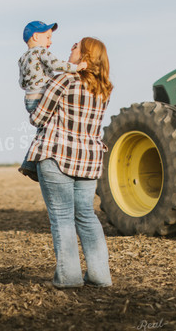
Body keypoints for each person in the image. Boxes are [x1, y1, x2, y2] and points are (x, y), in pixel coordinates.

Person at [24, 37, 113, 288]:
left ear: (85, 55)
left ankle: (69, 278)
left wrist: (31, 101)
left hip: (57, 155)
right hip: (88, 159)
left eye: (75, 46)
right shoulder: (104, 88)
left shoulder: (63, 79)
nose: (70, 49)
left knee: (62, 217)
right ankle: (100, 275)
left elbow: (38, 117)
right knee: (86, 215)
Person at [18, 21, 86, 181]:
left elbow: (21, 83)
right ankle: (40, 162)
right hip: (42, 97)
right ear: (36, 36)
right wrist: (76, 68)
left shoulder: (22, 58)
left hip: (29, 99)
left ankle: (29, 164)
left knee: (42, 130)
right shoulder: (40, 51)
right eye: (48, 37)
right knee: (51, 127)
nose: (50, 42)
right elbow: (56, 64)